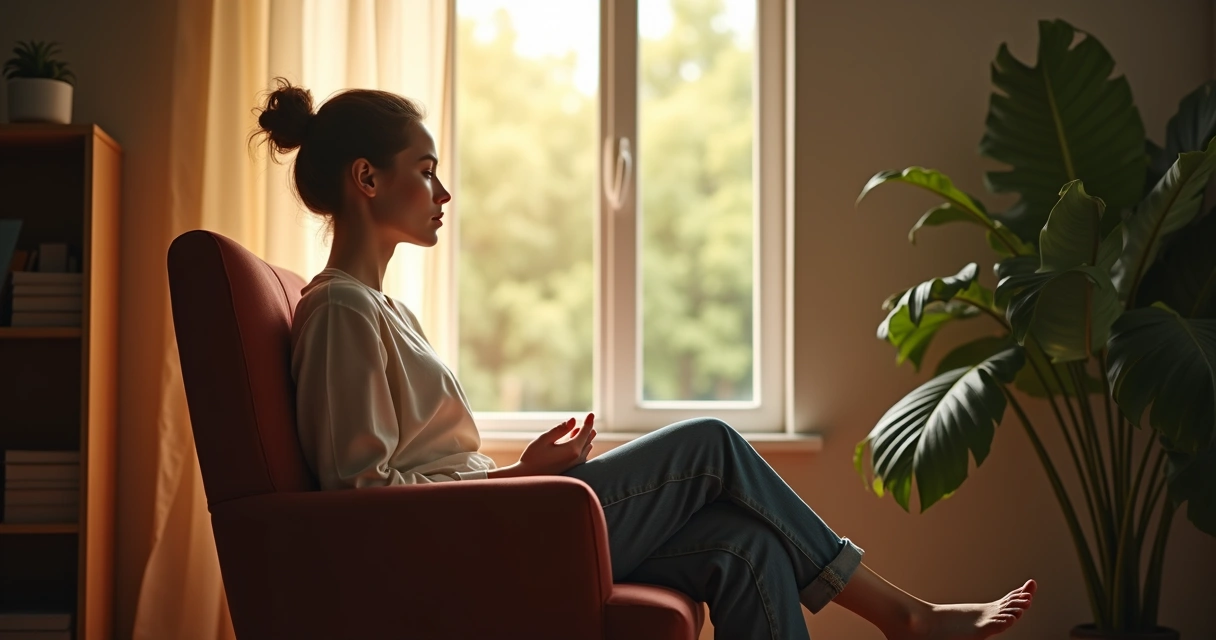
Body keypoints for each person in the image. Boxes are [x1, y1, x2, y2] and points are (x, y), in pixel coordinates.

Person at [250, 77, 1036, 640]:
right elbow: (364, 501)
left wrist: (525, 470)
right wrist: (527, 482)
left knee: (746, 543)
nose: (443, 192)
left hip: (492, 518)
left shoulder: (386, 311)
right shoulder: (340, 311)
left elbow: (418, 475)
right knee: (711, 444)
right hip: (473, 548)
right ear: (366, 179)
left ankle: (909, 618)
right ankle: (907, 616)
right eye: (425, 172)